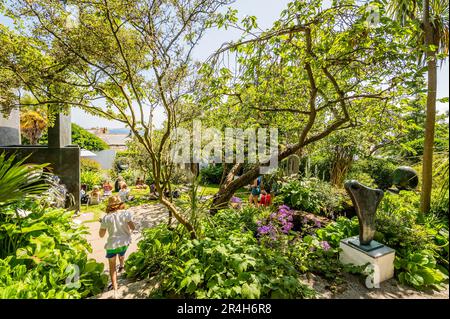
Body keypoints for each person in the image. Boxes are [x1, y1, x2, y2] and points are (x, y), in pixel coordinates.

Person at [99, 196, 135, 297]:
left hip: (112, 246)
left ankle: (115, 289)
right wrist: (127, 233)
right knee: (122, 253)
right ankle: (122, 265)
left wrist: (102, 224)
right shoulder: (126, 213)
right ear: (120, 204)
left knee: (112, 267)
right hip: (124, 243)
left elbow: (101, 235)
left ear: (109, 206)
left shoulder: (106, 218)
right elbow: (133, 227)